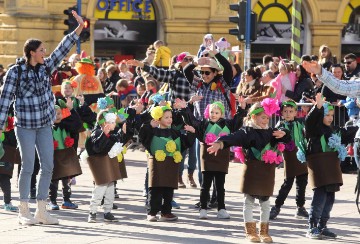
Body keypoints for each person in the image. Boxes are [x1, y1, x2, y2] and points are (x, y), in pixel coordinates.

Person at [0, 10, 84, 225]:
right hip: (25, 127)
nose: (45, 53)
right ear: (31, 52)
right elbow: (5, 99)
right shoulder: (15, 72)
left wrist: (79, 28)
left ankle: (41, 211)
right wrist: (0, 127)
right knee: (28, 167)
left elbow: (62, 48)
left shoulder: (46, 67)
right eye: (41, 50)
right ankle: (23, 211)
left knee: (48, 166)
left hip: (45, 125)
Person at [207, 98, 290, 243]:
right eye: (263, 117)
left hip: (266, 173)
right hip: (252, 171)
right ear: (253, 117)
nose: (266, 120)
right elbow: (232, 137)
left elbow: (284, 133)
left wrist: (284, 134)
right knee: (249, 201)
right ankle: (250, 232)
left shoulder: (271, 132)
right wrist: (220, 143)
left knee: (265, 203)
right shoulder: (247, 131)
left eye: (268, 118)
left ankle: (264, 232)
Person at [298, 93, 357, 239]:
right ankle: (312, 227)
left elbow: (349, 132)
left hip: (331, 167)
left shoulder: (334, 129)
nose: (330, 117)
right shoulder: (314, 131)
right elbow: (310, 121)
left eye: (332, 114)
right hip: (319, 165)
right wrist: (317, 107)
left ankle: (323, 225)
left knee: (330, 196)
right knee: (320, 196)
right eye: (327, 114)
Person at [180, 100, 244, 219]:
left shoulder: (228, 124)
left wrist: (241, 107)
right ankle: (203, 208)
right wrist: (185, 109)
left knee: (220, 186)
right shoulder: (204, 124)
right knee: (205, 185)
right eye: (212, 112)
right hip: (207, 157)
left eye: (217, 112)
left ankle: (221, 208)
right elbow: (193, 121)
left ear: (222, 114)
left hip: (222, 157)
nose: (214, 114)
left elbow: (237, 121)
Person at [138, 105, 195, 222]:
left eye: (171, 117)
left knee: (169, 188)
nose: (169, 119)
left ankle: (166, 212)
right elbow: (143, 138)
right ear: (158, 119)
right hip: (157, 164)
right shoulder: (153, 130)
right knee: (155, 188)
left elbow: (185, 143)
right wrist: (148, 126)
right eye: (166, 117)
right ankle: (152, 212)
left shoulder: (174, 132)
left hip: (171, 164)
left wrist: (191, 133)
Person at [269, 100, 309, 220]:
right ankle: (277, 206)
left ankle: (300, 207)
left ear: (296, 112)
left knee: (302, 182)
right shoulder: (281, 124)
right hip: (290, 156)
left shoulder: (300, 123)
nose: (288, 113)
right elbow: (280, 134)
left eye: (291, 111)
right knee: (288, 182)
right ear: (281, 113)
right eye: (285, 111)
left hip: (301, 154)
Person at [84, 110, 123, 223]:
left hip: (109, 166)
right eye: (112, 122)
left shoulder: (112, 134)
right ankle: (92, 212)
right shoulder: (96, 134)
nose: (114, 124)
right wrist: (103, 135)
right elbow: (97, 148)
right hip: (100, 167)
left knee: (110, 190)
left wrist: (126, 132)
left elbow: (119, 141)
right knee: (99, 190)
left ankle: (107, 211)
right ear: (105, 123)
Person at [49, 104, 82, 210]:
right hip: (54, 155)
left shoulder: (66, 125)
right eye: (54, 114)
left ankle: (66, 201)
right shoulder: (47, 128)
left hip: (66, 155)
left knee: (66, 180)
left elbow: (78, 124)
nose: (57, 116)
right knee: (53, 180)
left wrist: (71, 110)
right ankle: (52, 201)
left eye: (59, 113)